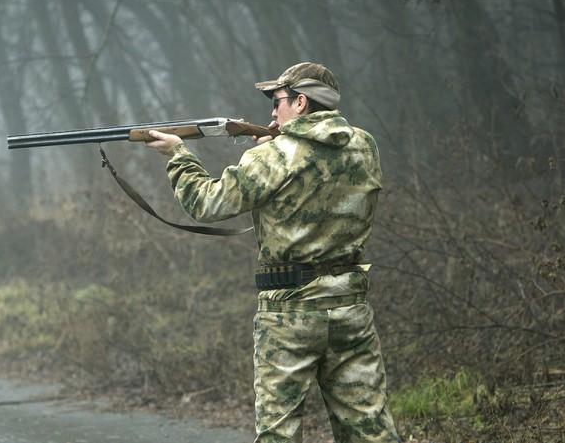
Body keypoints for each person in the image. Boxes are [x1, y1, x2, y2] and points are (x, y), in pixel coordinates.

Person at [146, 62, 400, 443]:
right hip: (350, 309)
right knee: (371, 431)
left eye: (277, 101)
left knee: (278, 434)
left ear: (301, 102)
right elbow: (317, 177)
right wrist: (274, 148)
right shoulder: (365, 146)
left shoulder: (274, 157)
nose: (272, 113)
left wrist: (178, 154)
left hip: (288, 314)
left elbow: (205, 202)